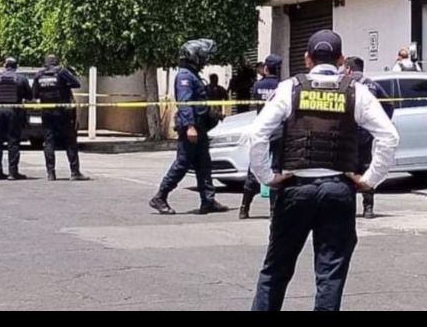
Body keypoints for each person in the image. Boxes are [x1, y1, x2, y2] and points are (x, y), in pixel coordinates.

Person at [249, 30, 399, 311]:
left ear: (307, 59)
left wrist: (268, 178)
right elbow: (389, 136)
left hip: (295, 189)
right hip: (337, 190)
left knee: (276, 270)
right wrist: (369, 180)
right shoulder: (357, 90)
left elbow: (257, 134)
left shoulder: (290, 88)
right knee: (330, 275)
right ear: (341, 60)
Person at [149, 39, 229, 215]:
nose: (204, 60)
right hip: (191, 129)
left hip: (200, 127)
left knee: (204, 164)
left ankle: (208, 200)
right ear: (194, 56)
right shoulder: (185, 76)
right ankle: (160, 196)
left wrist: (212, 114)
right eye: (202, 56)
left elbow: (198, 103)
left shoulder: (192, 75)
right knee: (182, 164)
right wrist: (190, 126)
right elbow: (185, 103)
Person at [343, 56, 394, 219]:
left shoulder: (346, 84)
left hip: (348, 133)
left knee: (346, 168)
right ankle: (368, 208)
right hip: (366, 134)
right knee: (366, 167)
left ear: (349, 69)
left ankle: (348, 206)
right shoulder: (373, 84)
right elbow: (389, 105)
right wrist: (379, 124)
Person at [239, 54, 284, 220]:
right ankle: (273, 210)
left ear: (266, 68)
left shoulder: (257, 85)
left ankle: (244, 208)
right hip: (279, 131)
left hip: (262, 131)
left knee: (255, 168)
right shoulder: (283, 87)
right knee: (276, 169)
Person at [32, 54, 87, 181]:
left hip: (46, 112)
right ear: (56, 62)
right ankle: (75, 172)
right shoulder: (61, 71)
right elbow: (76, 84)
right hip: (63, 112)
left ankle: (51, 173)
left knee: (49, 142)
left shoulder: (39, 75)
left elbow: (35, 94)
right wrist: (65, 86)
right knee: (70, 141)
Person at [0, 57, 32, 180]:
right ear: (16, 66)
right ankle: (13, 172)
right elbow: (30, 96)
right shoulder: (21, 78)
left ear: (5, 65)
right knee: (13, 142)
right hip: (14, 112)